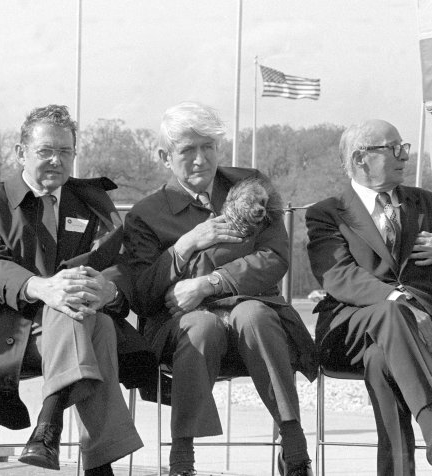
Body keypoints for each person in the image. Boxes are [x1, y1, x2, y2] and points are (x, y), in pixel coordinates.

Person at [0, 104, 142, 476]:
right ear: (21, 152)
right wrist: (40, 287)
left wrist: (109, 292)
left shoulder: (91, 203)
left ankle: (47, 432)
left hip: (71, 329)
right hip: (1, 332)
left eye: (65, 152)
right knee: (81, 318)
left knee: (84, 315)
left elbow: (119, 261)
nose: (56, 160)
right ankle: (96, 464)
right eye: (45, 151)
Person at [123, 101, 317, 476]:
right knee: (202, 325)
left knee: (253, 314)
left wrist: (209, 283)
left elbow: (275, 257)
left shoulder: (250, 186)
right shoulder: (146, 214)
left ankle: (294, 447)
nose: (200, 159)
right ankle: (182, 459)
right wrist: (184, 246)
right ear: (165, 156)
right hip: (180, 329)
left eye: (208, 147)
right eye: (187, 150)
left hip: (258, 322)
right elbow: (144, 295)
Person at [305, 119, 432, 475]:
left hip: (423, 337)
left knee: (381, 360)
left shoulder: (428, 204)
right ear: (361, 159)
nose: (403, 155)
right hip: (349, 330)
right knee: (391, 315)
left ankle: (418, 457)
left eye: (402, 146)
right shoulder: (328, 213)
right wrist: (398, 301)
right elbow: (338, 276)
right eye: (392, 148)